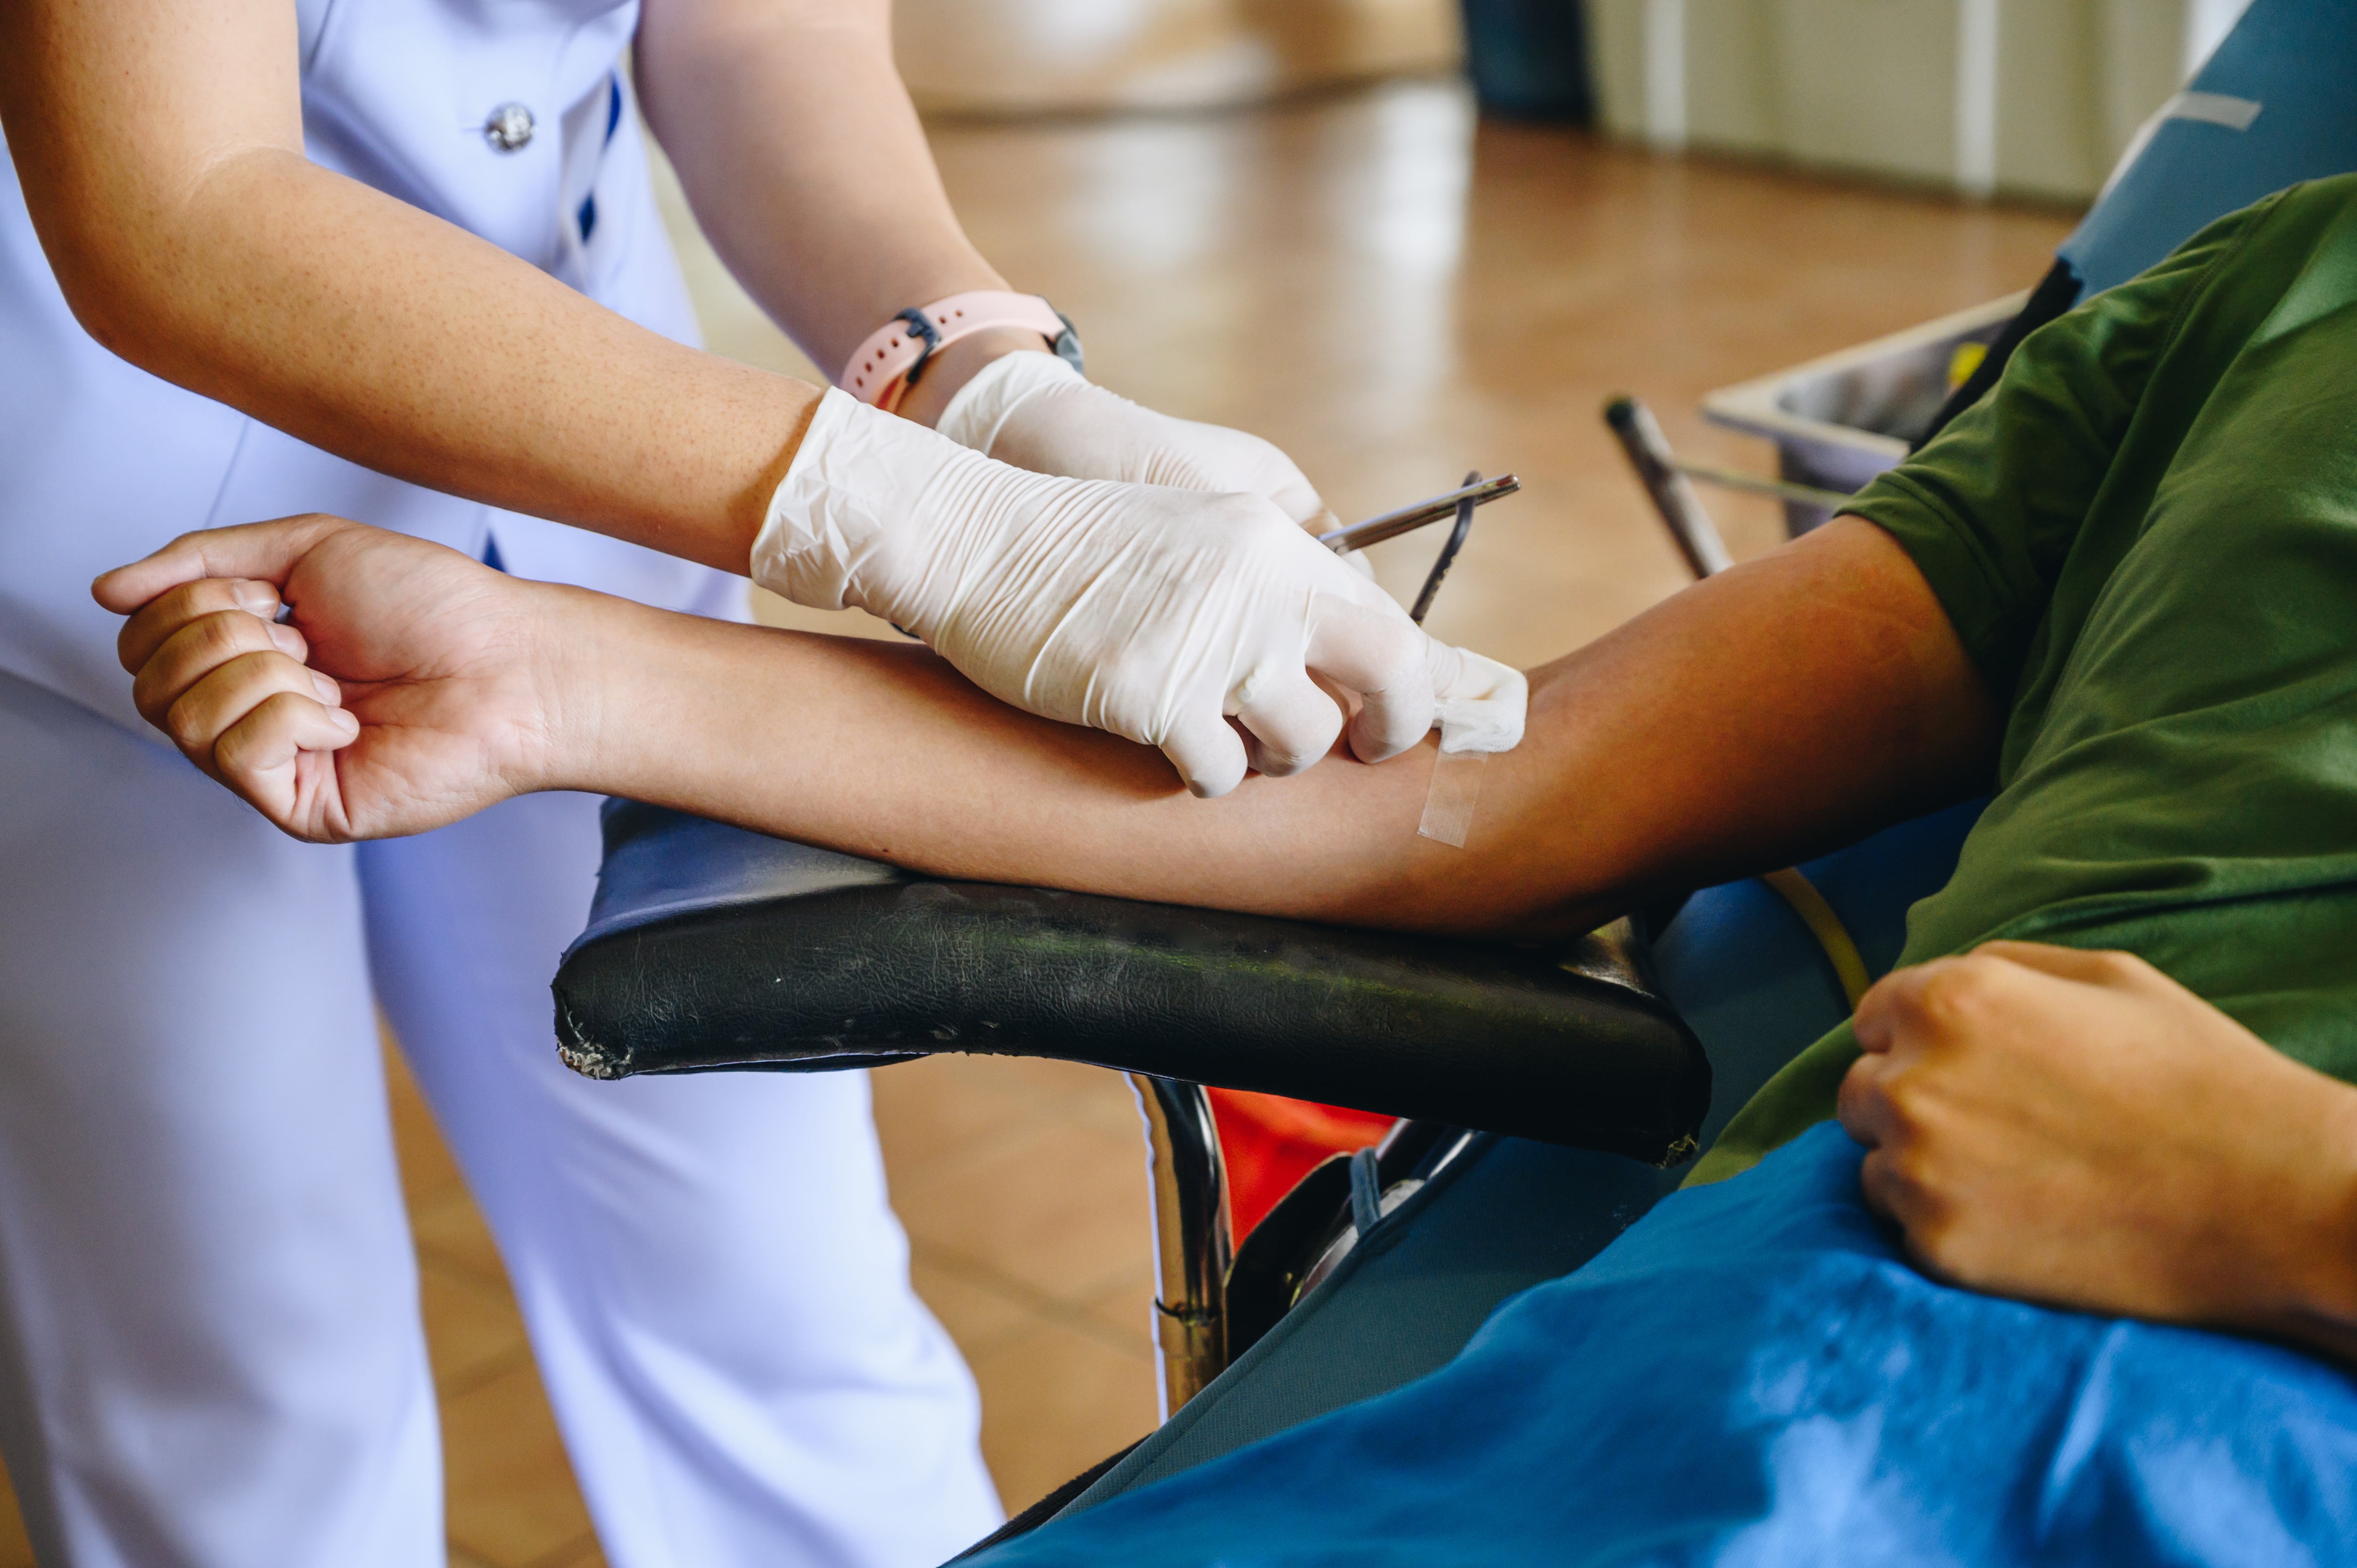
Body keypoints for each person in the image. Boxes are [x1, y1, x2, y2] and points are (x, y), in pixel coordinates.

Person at [100, 172, 2357, 1558]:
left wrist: (2286, 1202)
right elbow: (1488, 795)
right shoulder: (2270, 303)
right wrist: (562, 674)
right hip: (1694, 1388)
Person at [0, 0, 1516, 1561]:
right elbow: (176, 197)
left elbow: (753, 33)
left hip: (575, 428)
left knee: (783, 1299)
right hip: (92, 510)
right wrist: (918, 520)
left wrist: (977, 380)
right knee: (242, 1374)